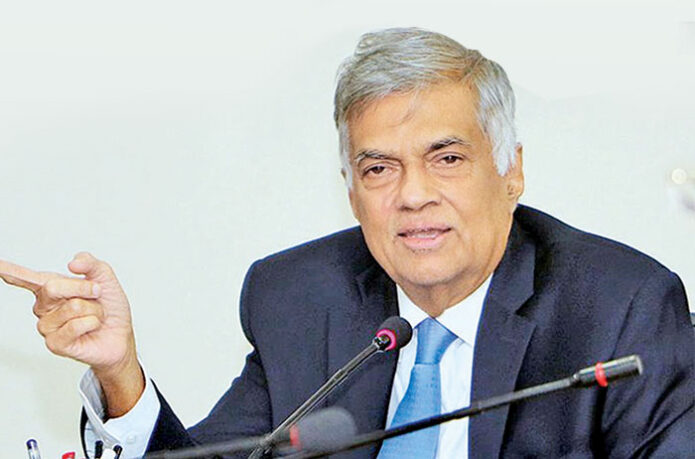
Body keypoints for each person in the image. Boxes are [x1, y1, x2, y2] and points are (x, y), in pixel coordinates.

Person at [1, 28, 693, 458]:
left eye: (447, 158)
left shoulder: (621, 309)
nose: (413, 194)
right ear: (350, 189)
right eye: (379, 169)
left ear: (510, 170)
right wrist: (121, 373)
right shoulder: (299, 297)